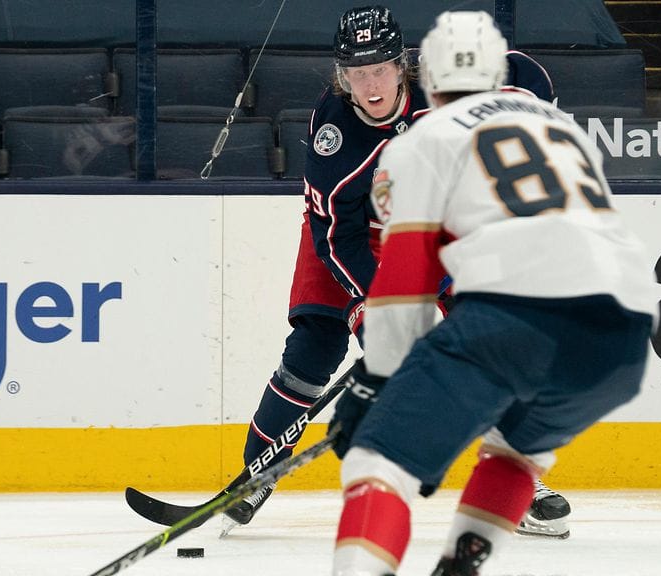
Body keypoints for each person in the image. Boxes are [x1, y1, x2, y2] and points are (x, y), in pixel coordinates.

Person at [328, 10, 657, 576]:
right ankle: (459, 567)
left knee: (377, 463)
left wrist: (377, 377)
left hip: (516, 316)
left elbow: (405, 280)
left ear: (426, 80)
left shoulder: (424, 138)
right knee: (514, 453)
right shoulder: (563, 128)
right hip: (625, 337)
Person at [226, 5, 569, 538]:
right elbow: (334, 237)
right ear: (342, 77)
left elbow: (525, 75)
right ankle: (254, 476)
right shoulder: (334, 135)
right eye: (356, 73)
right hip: (349, 239)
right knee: (314, 347)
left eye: (380, 69)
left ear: (402, 64)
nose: (370, 84)